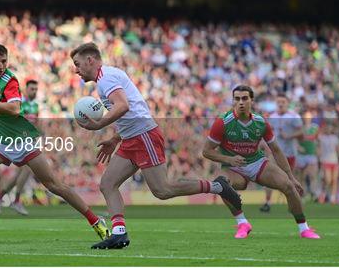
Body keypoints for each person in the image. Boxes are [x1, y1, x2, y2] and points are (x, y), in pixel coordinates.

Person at [70, 42, 241, 249]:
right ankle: (119, 233)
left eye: (78, 64)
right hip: (131, 137)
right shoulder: (106, 78)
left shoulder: (106, 80)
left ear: (90, 60)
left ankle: (218, 186)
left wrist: (99, 124)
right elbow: (131, 109)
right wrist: (115, 139)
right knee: (108, 184)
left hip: (144, 136)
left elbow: (124, 106)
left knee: (163, 190)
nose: (76, 70)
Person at [0, 43, 109, 241]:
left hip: (22, 140)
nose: (1, 65)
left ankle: (96, 221)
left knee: (54, 185)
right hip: (1, 141)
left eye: (4, 61)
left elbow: (13, 109)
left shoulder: (9, 80)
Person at [202, 85, 320, 239]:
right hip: (233, 167)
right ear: (233, 101)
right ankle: (242, 223)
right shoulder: (222, 122)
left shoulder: (261, 122)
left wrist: (290, 176)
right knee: (221, 184)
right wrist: (229, 159)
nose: (241, 102)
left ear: (252, 100)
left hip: (257, 163)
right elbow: (206, 151)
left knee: (289, 187)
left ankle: (304, 229)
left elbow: (276, 150)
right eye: (237, 99)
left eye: (244, 98)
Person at [0, 80, 39, 216]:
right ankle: (16, 200)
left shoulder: (35, 106)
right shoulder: (19, 103)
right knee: (28, 168)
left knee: (22, 172)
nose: (34, 91)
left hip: (29, 140)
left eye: (36, 89)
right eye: (32, 89)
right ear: (26, 89)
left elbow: (36, 123)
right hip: (18, 140)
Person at [260, 94, 303, 212]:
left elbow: (301, 132)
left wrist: (289, 136)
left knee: (289, 179)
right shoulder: (272, 116)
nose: (280, 104)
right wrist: (265, 144)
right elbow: (267, 133)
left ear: (287, 103)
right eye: (278, 101)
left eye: (283, 102)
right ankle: (267, 202)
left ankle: (294, 203)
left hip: (290, 153)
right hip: (275, 153)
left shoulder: (294, 116)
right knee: (268, 177)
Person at [297, 112, 320, 201]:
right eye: (305, 117)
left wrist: (318, 149)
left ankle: (314, 194)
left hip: (311, 154)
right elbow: (296, 140)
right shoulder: (300, 128)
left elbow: (318, 139)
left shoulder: (315, 127)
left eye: (309, 117)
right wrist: (298, 147)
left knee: (312, 175)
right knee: (301, 176)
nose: (307, 118)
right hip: (301, 155)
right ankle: (303, 194)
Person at [318, 121, 339, 204]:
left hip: (334, 161)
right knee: (328, 180)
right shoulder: (321, 137)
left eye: (330, 128)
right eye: (327, 127)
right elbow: (319, 147)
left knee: (334, 180)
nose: (328, 129)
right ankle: (323, 195)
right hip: (325, 161)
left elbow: (337, 149)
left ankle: (332, 198)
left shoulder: (335, 138)